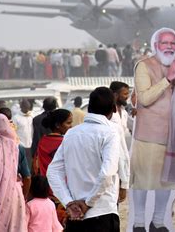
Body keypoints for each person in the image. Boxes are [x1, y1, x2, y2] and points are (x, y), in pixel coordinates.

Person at [130, 27, 175, 231]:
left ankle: (158, 221)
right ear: (155, 45)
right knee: (143, 182)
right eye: (164, 43)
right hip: (148, 136)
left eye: (172, 43)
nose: (169, 47)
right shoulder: (144, 66)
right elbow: (144, 98)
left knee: (165, 183)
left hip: (173, 137)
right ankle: (139, 222)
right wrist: (167, 80)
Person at [47, 87, 121, 231]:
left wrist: (68, 202)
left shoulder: (71, 134)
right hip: (102, 212)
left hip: (76, 216)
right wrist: (88, 203)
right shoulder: (110, 133)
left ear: (90, 107)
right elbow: (107, 173)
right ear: (114, 109)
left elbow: (53, 172)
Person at [109, 81, 131, 205]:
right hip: (110, 160)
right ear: (115, 95)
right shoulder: (109, 114)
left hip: (120, 161)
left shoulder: (124, 113)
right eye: (125, 94)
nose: (127, 96)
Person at [35, 109, 72, 176]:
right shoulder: (66, 142)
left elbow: (36, 164)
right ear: (57, 125)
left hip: (45, 182)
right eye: (68, 123)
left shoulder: (42, 141)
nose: (71, 126)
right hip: (62, 183)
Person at [12, 99, 34, 170]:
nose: (27, 109)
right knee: (21, 166)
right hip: (20, 145)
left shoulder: (31, 116)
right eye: (25, 107)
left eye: (28, 107)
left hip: (30, 145)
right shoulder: (16, 118)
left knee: (30, 166)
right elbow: (13, 132)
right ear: (21, 107)